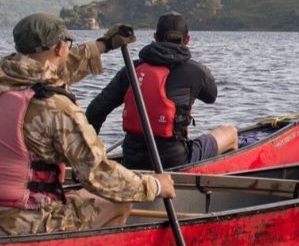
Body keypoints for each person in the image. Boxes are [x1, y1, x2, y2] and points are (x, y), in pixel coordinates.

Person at [0, 14, 175, 239]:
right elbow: (99, 175)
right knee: (118, 200)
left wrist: (103, 45)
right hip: (14, 226)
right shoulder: (56, 107)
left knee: (77, 194)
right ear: (60, 48)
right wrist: (154, 185)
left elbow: (54, 70)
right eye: (66, 45)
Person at [84, 12, 238, 170]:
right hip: (175, 161)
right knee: (230, 132)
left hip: (132, 161)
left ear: (155, 37)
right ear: (187, 40)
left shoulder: (131, 69)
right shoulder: (195, 71)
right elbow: (211, 96)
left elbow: (94, 111)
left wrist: (90, 155)